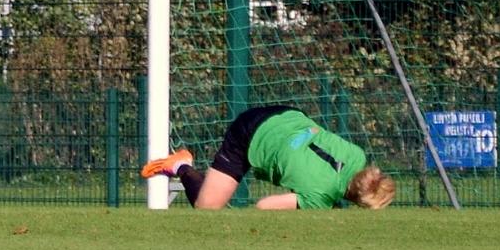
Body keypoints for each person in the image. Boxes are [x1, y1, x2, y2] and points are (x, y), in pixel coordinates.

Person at [141, 104, 395, 210]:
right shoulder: (319, 198)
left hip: (285, 114)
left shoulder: (356, 154)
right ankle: (181, 166)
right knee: (207, 207)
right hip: (248, 135)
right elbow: (263, 206)